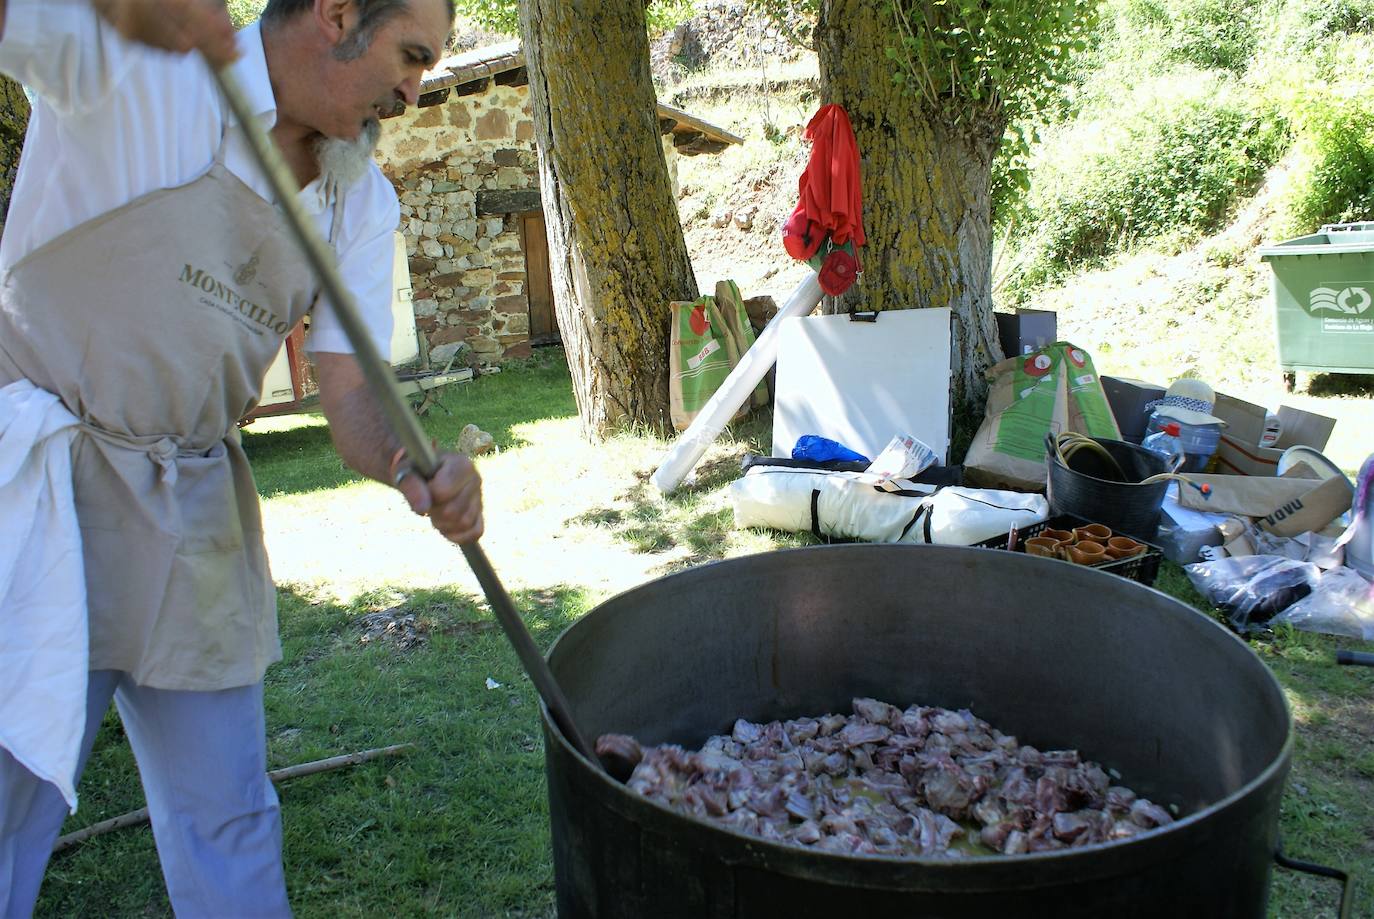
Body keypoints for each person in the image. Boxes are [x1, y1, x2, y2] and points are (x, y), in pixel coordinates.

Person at [0, 0, 482, 914]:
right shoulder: (138, 68)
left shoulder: (357, 196)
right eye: (410, 57)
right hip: (39, 489)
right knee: (8, 801)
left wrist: (415, 465)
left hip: (191, 511)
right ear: (338, 13)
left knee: (230, 815)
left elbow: (350, 392)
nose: (414, 93)